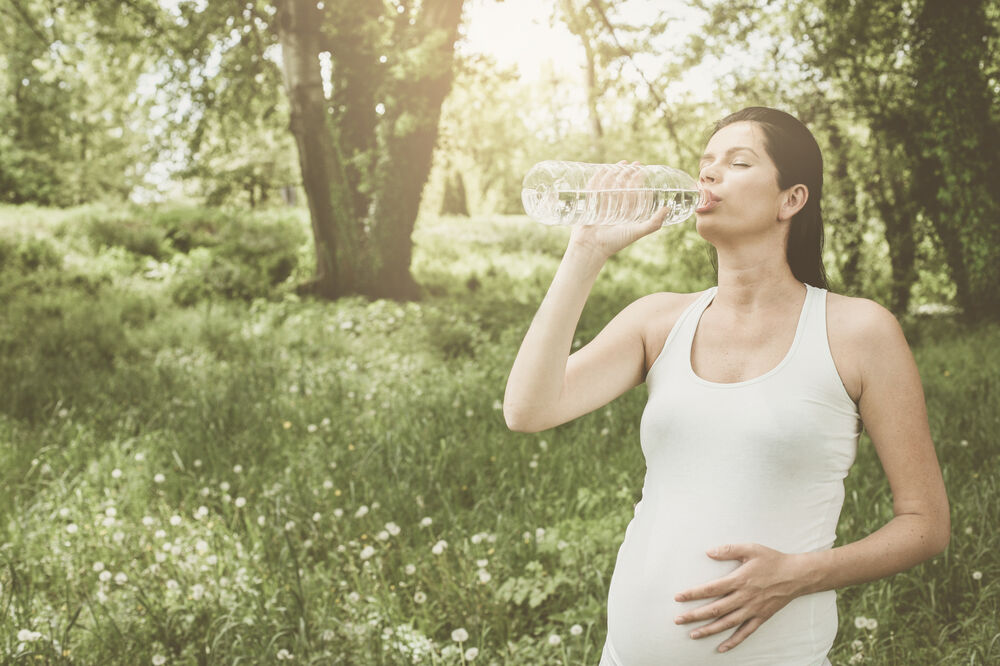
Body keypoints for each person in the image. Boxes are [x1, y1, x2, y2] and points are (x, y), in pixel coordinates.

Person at [502, 106, 950, 665]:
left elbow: (926, 524)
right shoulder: (658, 320)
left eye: (738, 162)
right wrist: (585, 251)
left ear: (792, 199)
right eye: (704, 163)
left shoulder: (858, 331)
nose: (708, 175)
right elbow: (526, 409)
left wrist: (797, 575)